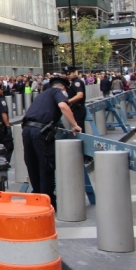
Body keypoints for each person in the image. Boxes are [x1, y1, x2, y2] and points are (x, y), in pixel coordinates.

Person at [23, 76, 82, 208]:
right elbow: (63, 106)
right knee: (46, 167)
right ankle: (47, 202)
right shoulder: (57, 92)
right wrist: (74, 125)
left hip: (27, 130)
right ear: (63, 87)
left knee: (33, 165)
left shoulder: (42, 94)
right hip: (41, 132)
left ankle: (37, 198)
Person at [66, 67, 87, 133]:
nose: (68, 75)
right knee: (78, 128)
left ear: (75, 73)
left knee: (79, 129)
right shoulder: (73, 82)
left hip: (78, 108)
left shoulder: (76, 82)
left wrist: (68, 101)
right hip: (76, 108)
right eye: (67, 74)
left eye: (69, 73)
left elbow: (80, 95)